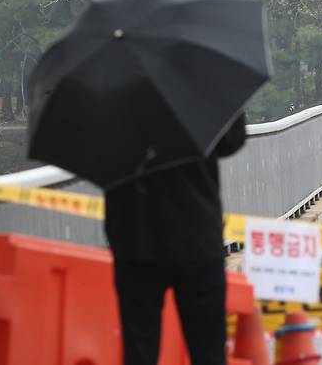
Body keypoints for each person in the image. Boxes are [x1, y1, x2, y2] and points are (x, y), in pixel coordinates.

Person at [105, 113, 247, 365]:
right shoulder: (201, 82)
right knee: (208, 351)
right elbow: (232, 140)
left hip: (135, 233)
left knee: (139, 351)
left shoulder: (111, 86)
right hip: (196, 234)